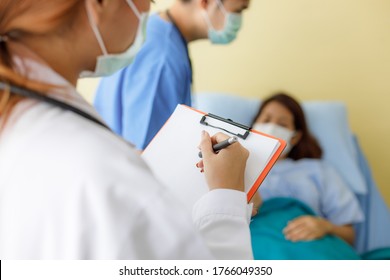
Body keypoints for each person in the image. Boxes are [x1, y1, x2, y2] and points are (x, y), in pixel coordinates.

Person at [0, 0, 253, 259]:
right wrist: (227, 195)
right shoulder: (106, 174)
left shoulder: (21, 119)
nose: (147, 12)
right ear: (100, 4)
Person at [94, 0, 250, 150]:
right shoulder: (163, 58)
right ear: (206, 2)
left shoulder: (156, 29)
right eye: (238, 10)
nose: (240, 20)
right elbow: (147, 152)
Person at [251, 93, 364, 246]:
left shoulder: (319, 170)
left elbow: (350, 236)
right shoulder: (237, 167)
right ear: (253, 127)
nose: (272, 127)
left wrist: (325, 226)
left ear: (295, 137)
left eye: (282, 125)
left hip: (311, 250)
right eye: (266, 120)